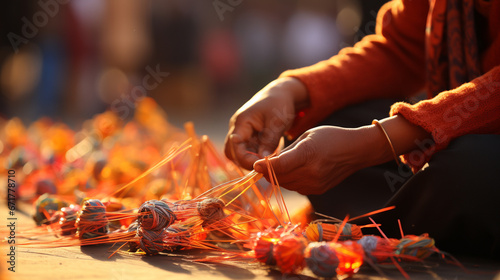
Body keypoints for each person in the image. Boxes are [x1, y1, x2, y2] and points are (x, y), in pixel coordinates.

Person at [224, 0, 500, 258]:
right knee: (329, 118)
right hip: (453, 132)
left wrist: (375, 144)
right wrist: (291, 90)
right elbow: (401, 51)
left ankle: (394, 224)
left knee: (469, 169)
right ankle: (415, 220)